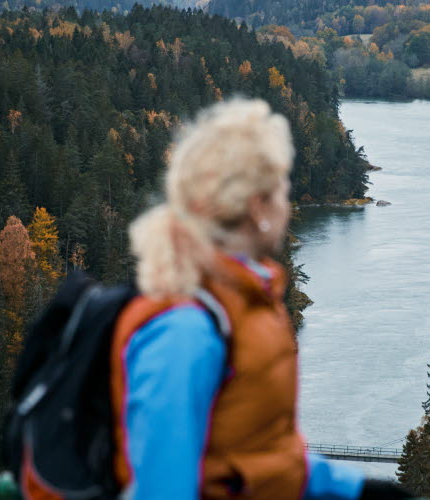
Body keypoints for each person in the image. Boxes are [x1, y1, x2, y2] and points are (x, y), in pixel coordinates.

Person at [109, 99, 413, 500]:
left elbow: (263, 457)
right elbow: (160, 487)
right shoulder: (185, 328)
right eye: (283, 192)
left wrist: (355, 489)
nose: (287, 207)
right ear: (258, 207)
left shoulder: (247, 304)